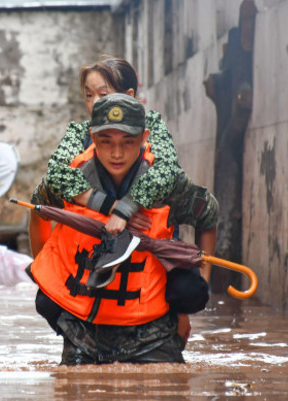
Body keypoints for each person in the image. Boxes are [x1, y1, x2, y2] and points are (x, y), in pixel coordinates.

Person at [30, 93, 187, 365]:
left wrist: (184, 313)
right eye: (89, 96)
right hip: (84, 326)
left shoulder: (165, 179)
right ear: (93, 134)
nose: (117, 153)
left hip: (150, 329)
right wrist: (42, 270)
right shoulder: (70, 176)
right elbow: (37, 208)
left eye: (128, 141)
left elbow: (202, 220)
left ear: (143, 135)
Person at [29, 55, 180, 257]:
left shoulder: (152, 126)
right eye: (89, 95)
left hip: (148, 240)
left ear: (129, 95)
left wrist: (127, 208)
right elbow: (56, 176)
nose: (94, 103)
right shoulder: (80, 132)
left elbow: (167, 171)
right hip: (94, 241)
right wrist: (110, 206)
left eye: (103, 94)